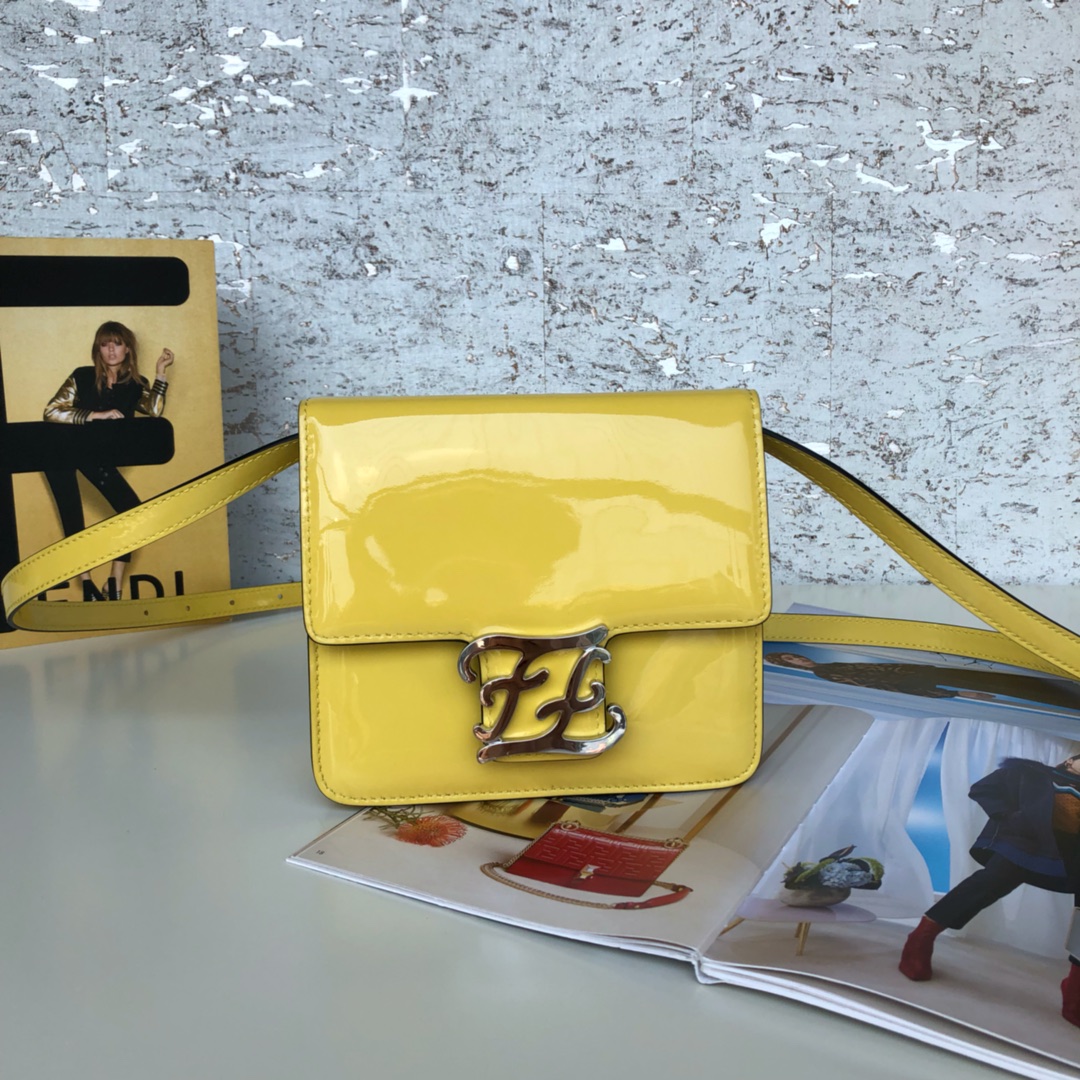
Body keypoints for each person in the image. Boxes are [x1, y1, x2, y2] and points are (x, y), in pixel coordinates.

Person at [898, 753, 1080, 1027]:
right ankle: (920, 939)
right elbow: (983, 789)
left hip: (1073, 856)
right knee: (987, 884)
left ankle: (1075, 991)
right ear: (1069, 761)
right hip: (1028, 843)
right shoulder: (1030, 772)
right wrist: (1010, 818)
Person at [43, 321, 175, 599]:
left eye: (117, 343)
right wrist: (96, 415)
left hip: (97, 456)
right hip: (61, 450)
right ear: (98, 349)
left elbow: (154, 410)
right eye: (105, 344)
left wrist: (161, 372)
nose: (111, 350)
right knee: (71, 514)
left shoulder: (135, 385)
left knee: (132, 511)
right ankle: (86, 582)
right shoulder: (82, 376)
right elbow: (52, 411)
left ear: (128, 349)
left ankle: (114, 581)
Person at [765, 651, 1080, 713]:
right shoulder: (827, 673)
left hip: (930, 672)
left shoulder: (829, 665)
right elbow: (887, 686)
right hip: (930, 679)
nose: (798, 659)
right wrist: (954, 693)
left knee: (1006, 680)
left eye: (795, 656)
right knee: (1009, 687)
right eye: (791, 660)